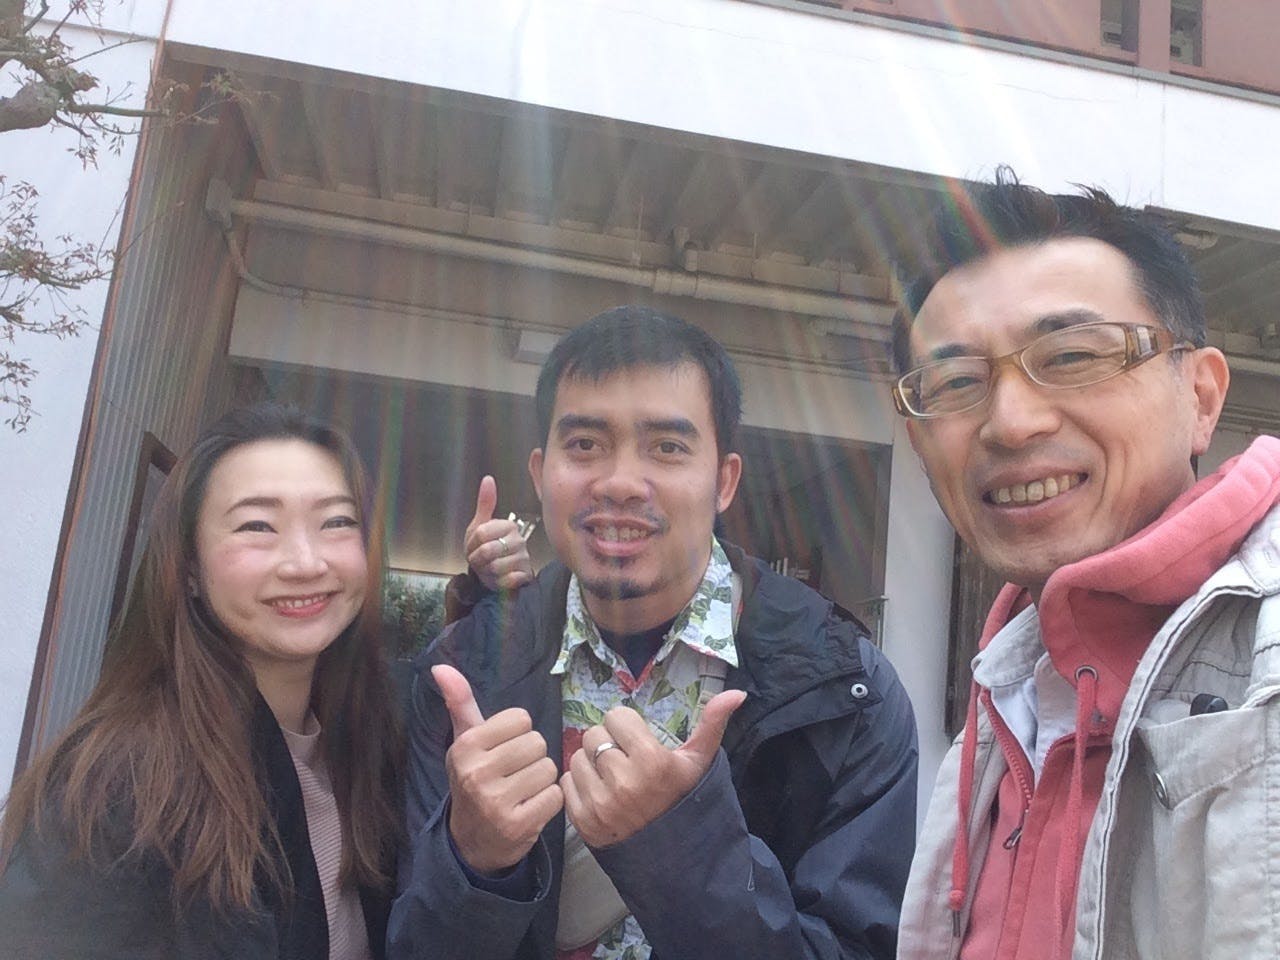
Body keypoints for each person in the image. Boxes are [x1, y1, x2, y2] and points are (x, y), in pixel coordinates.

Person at [389, 305, 918, 960]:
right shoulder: (460, 675)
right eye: (585, 445)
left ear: (724, 482)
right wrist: (473, 863)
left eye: (667, 447)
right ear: (539, 474)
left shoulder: (848, 691)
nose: (618, 483)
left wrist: (683, 850)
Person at [891, 170, 1280, 960]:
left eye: (1070, 355)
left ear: (1202, 397)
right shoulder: (1006, 696)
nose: (1010, 422)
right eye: (957, 382)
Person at [0, 402, 404, 959]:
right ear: (189, 568)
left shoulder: (368, 746)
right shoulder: (123, 784)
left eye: (336, 521)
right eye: (257, 526)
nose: (305, 562)